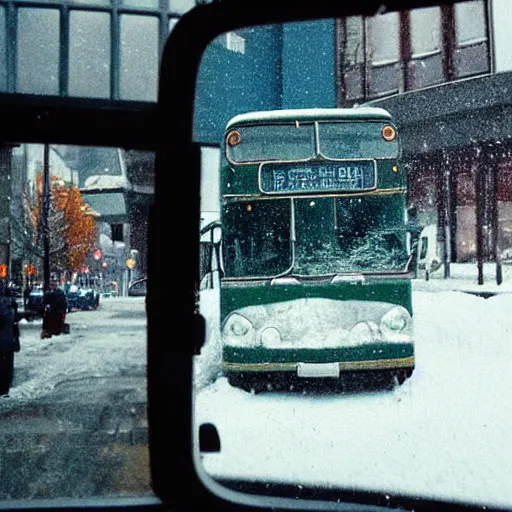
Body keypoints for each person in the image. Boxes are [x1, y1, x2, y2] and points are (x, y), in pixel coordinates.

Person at [0, 286, 20, 397]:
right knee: (7, 367)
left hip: (3, 341)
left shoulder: (3, 305)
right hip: (9, 340)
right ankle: (5, 390)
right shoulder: (10, 305)